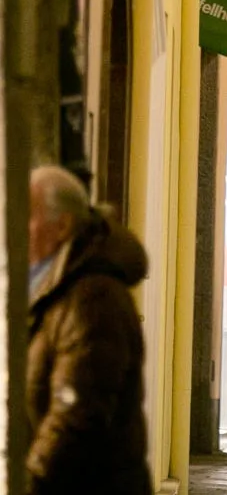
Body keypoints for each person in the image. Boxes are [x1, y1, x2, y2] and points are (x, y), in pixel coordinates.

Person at [27, 165, 150, 495]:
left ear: (63, 225)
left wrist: (26, 481)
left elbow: (77, 415)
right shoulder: (47, 289)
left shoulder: (91, 298)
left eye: (27, 217)